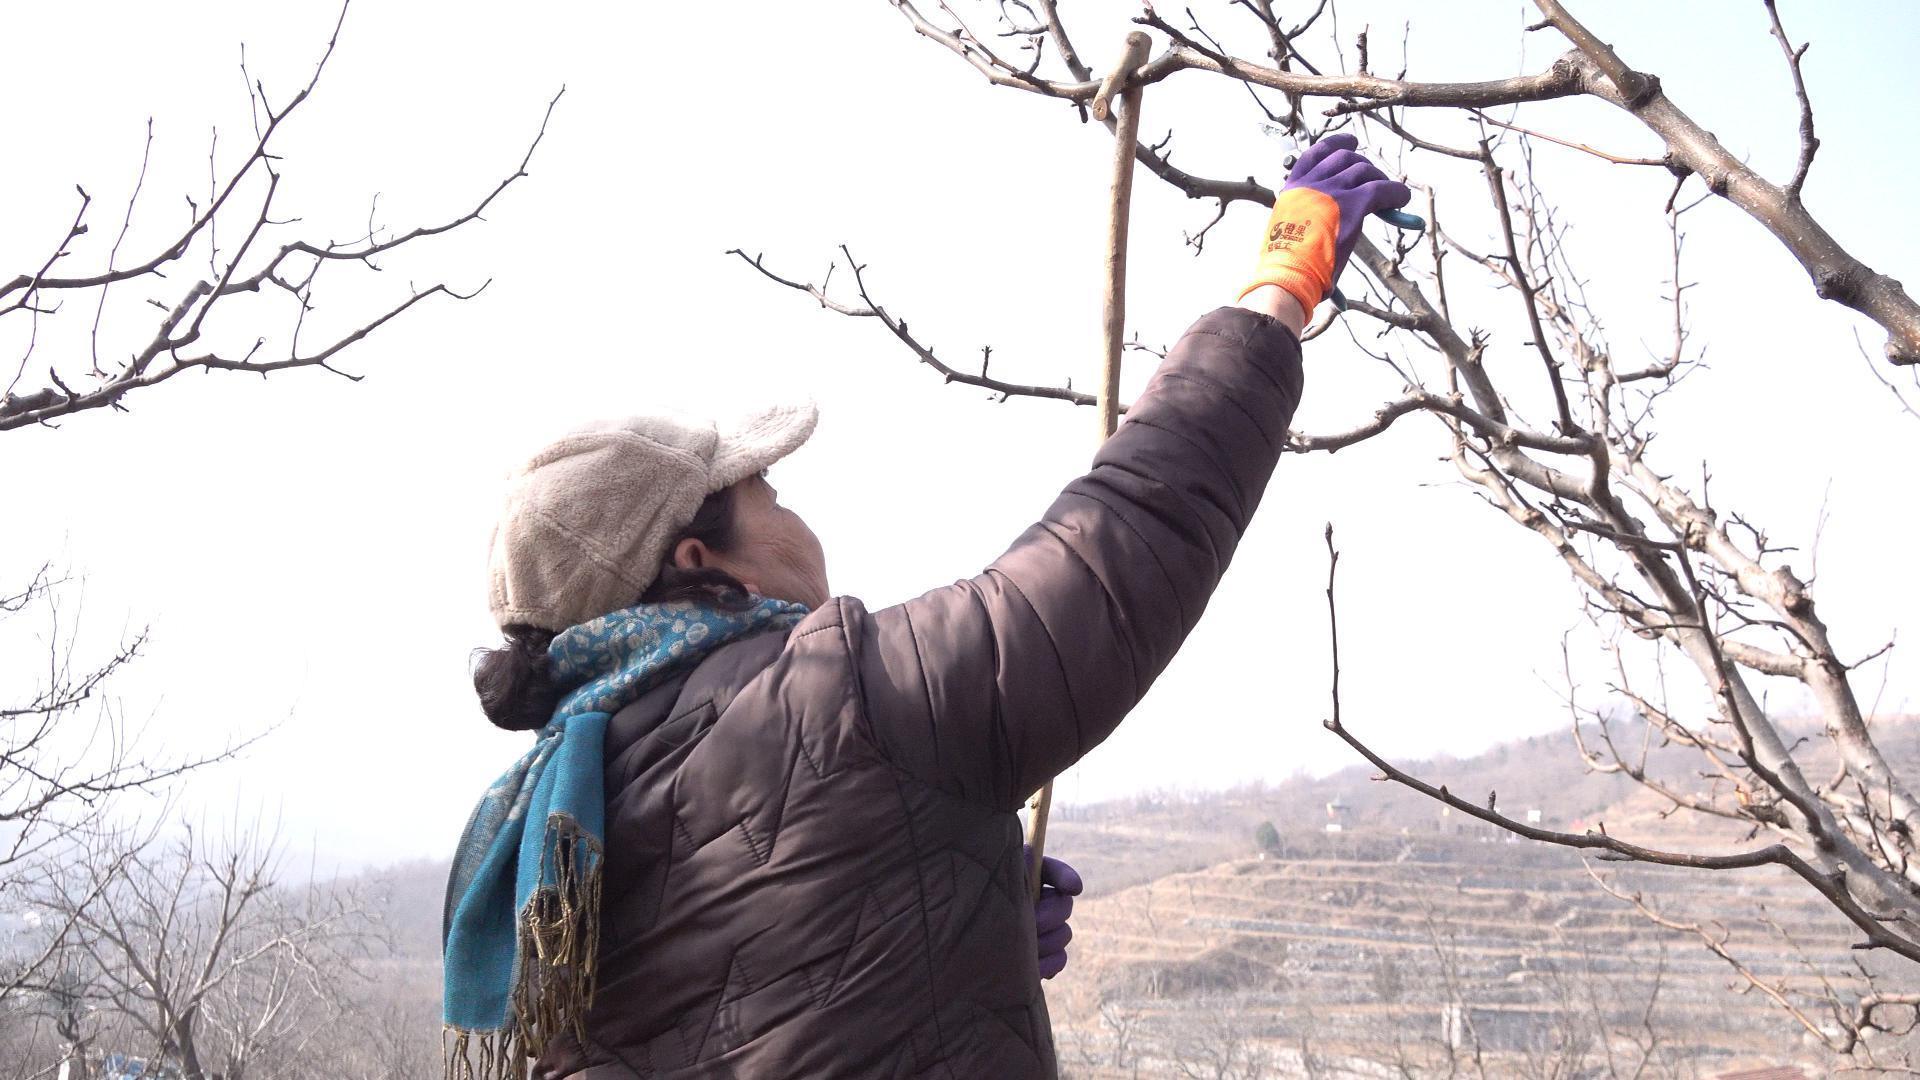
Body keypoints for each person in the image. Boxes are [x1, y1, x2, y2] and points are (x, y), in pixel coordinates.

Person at [442, 134, 1409, 1079]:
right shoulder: (833, 697)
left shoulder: (562, 832)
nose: (794, 514)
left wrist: (934, 915)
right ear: (701, 563)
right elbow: (1126, 539)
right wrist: (1279, 286)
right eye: (766, 496)